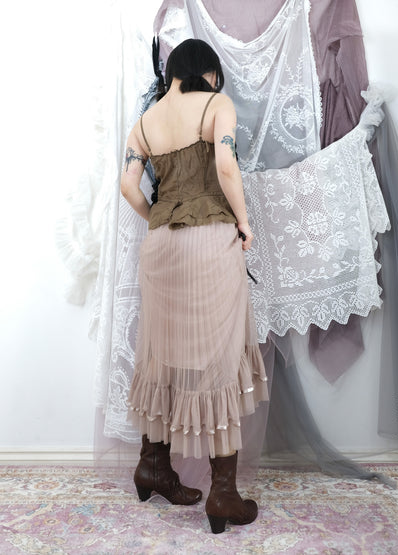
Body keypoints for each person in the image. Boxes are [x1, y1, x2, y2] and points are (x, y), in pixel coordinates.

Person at [120, 38, 268, 534]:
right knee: (218, 359)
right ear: (207, 72)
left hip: (160, 245)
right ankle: (223, 494)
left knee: (161, 357)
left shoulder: (145, 122)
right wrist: (243, 223)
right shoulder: (216, 104)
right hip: (209, 243)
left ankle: (152, 466)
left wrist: (158, 217)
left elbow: (128, 186)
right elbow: (225, 166)